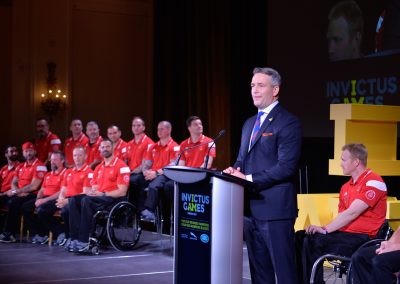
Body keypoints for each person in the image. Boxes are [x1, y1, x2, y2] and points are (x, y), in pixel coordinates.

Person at [223, 67, 302, 284]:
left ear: (275, 90)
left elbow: (286, 167)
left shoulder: (288, 122)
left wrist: (248, 179)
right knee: (259, 274)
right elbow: (242, 160)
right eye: (252, 86)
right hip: (250, 211)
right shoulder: (249, 123)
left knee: (284, 272)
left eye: (261, 85)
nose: (254, 90)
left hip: (275, 210)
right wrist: (232, 171)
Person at [298, 143, 387, 284]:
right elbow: (342, 216)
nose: (340, 164)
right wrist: (323, 229)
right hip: (345, 234)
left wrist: (325, 229)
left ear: (356, 162)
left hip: (364, 238)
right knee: (301, 236)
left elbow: (352, 213)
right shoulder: (345, 187)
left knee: (315, 240)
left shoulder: (374, 182)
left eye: (343, 160)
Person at [67, 138, 130, 252]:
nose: (105, 149)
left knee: (86, 201)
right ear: (100, 150)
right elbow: (95, 186)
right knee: (73, 200)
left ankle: (84, 240)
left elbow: (122, 191)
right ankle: (74, 238)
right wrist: (92, 191)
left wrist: (103, 193)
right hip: (100, 198)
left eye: (107, 147)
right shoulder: (98, 168)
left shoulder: (121, 166)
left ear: (113, 148)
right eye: (102, 147)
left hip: (114, 199)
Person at [130, 121, 179, 221]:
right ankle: (134, 211)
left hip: (165, 174)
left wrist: (156, 173)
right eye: (158, 129)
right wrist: (145, 171)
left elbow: (172, 165)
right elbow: (147, 163)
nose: (159, 131)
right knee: (134, 181)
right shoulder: (153, 146)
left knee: (153, 186)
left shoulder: (174, 146)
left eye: (162, 129)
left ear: (169, 130)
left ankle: (149, 211)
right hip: (152, 173)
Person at [0, 142, 47, 243]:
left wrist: (18, 192)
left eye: (30, 150)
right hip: (20, 194)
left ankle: (9, 234)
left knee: (13, 203)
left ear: (34, 151)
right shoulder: (20, 166)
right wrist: (18, 192)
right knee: (2, 199)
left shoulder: (40, 166)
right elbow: (13, 182)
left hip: (33, 194)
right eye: (26, 151)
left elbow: (34, 186)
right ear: (23, 153)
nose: (28, 153)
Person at [21, 151, 67, 244]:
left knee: (42, 210)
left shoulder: (66, 173)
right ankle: (42, 234)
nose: (52, 162)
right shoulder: (48, 174)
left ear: (62, 161)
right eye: (51, 160)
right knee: (25, 207)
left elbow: (62, 192)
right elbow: (42, 190)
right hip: (45, 198)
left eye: (55, 160)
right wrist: (38, 199)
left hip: (57, 198)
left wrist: (44, 200)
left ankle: (61, 232)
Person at [56, 146, 93, 248]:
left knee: (65, 210)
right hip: (67, 200)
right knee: (44, 209)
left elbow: (85, 193)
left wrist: (67, 201)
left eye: (80, 155)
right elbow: (63, 188)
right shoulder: (68, 171)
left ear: (85, 156)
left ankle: (72, 238)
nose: (77, 157)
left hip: (79, 202)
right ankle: (66, 236)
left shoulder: (88, 172)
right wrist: (61, 198)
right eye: (75, 155)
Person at [0, 146, 20, 230]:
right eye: (11, 151)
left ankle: (7, 232)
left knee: (12, 202)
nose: (14, 153)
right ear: (6, 154)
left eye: (15, 151)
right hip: (2, 194)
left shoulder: (21, 167)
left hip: (13, 193)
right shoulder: (3, 169)